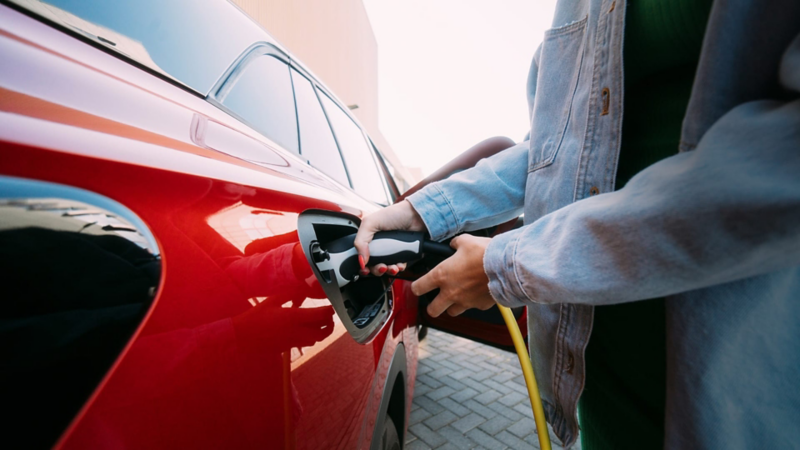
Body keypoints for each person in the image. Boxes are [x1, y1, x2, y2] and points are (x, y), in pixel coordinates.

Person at [353, 1, 800, 448]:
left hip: (732, 399)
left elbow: (779, 167)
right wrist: (421, 212)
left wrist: (511, 264)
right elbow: (550, 150)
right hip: (598, 385)